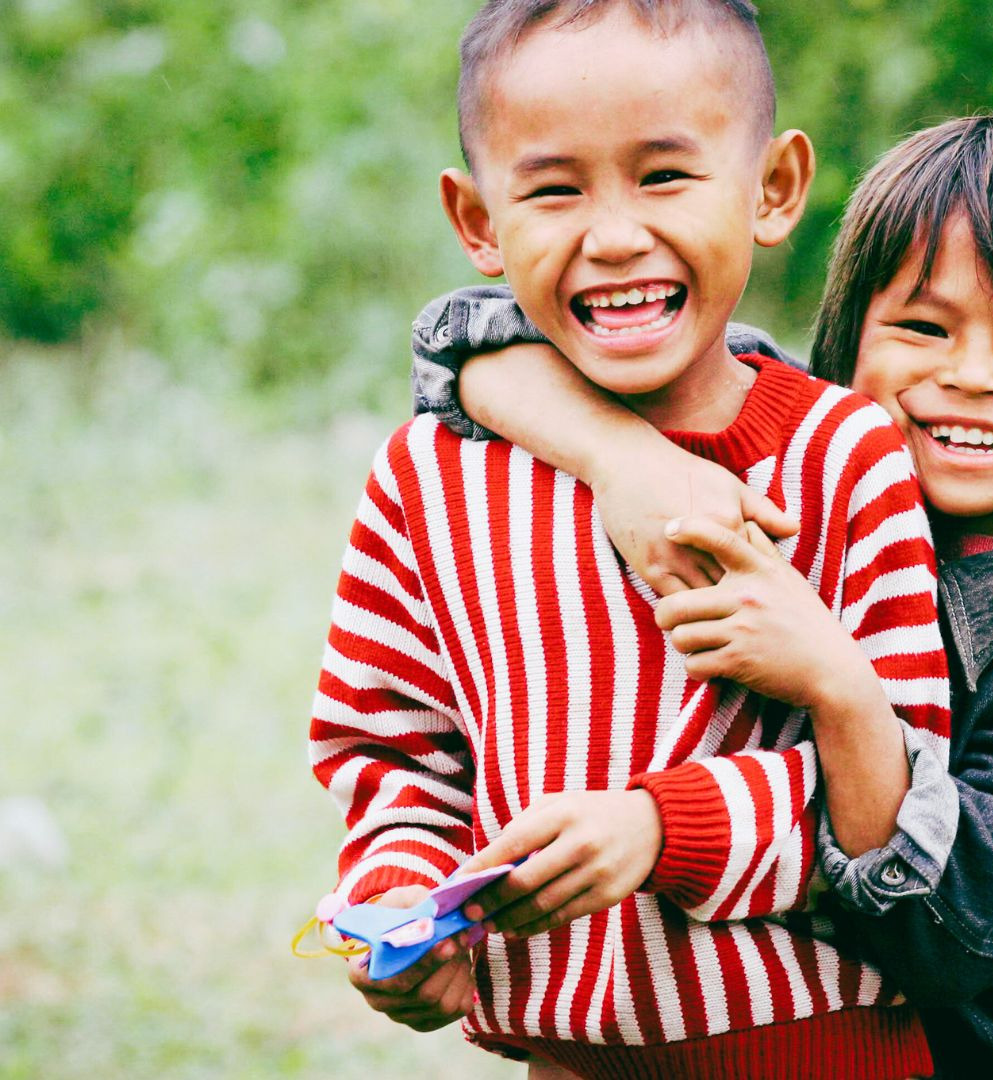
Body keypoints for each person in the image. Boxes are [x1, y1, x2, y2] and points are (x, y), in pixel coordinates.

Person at [410, 112, 993, 1077]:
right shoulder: (781, 458)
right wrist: (621, 456)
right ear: (841, 349)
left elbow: (955, 935)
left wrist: (841, 688)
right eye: (923, 327)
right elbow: (464, 342)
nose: (971, 375)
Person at [308, 2, 952, 1076]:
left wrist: (662, 829)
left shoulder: (842, 456)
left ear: (773, 189)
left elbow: (899, 796)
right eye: (554, 190)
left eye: (664, 176)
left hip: (818, 1047)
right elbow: (392, 753)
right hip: (565, 1056)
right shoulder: (430, 479)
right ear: (477, 220)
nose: (612, 236)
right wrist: (401, 900)